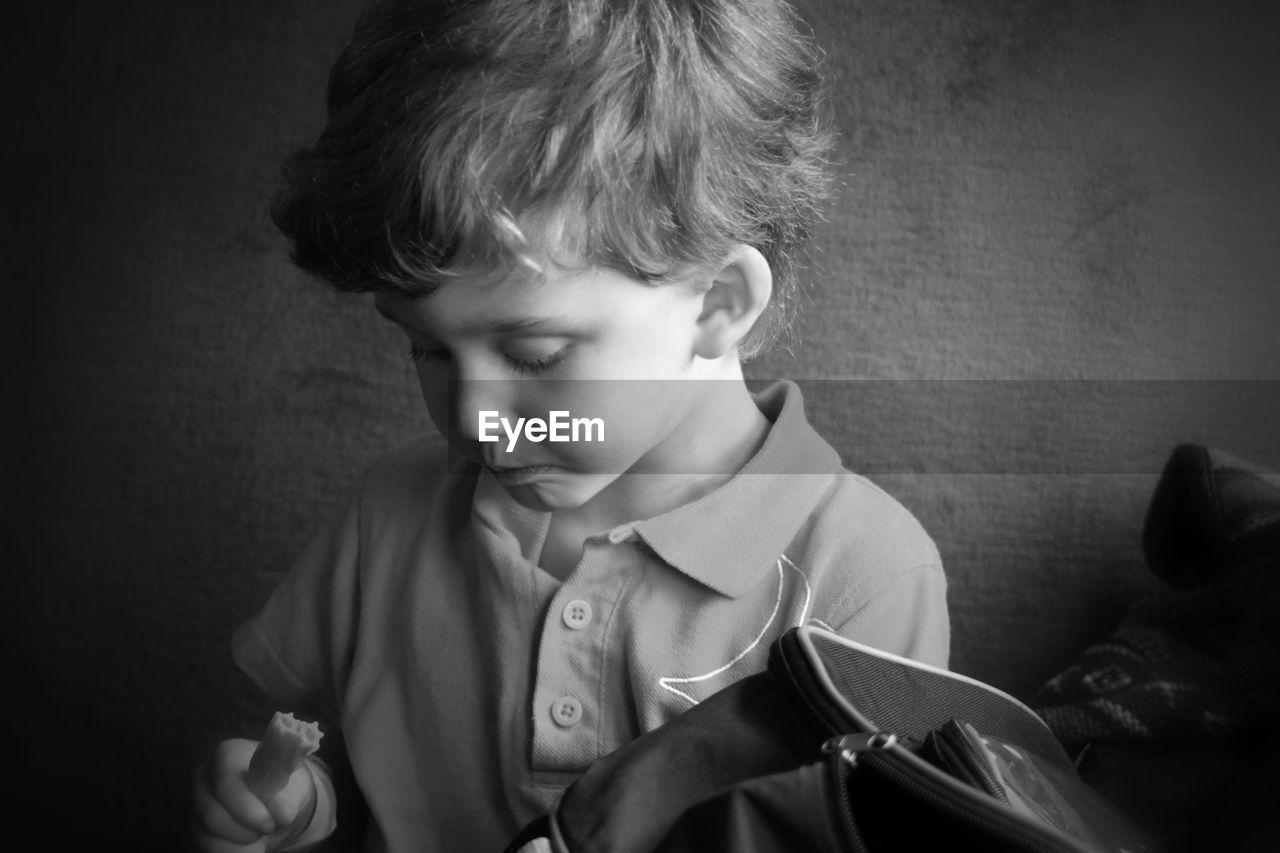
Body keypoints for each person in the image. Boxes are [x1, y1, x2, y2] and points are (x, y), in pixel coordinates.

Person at [190, 0, 950, 850]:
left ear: (719, 303)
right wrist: (293, 803)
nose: (474, 418)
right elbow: (315, 745)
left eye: (538, 354)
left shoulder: (865, 575)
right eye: (426, 349)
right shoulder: (390, 518)